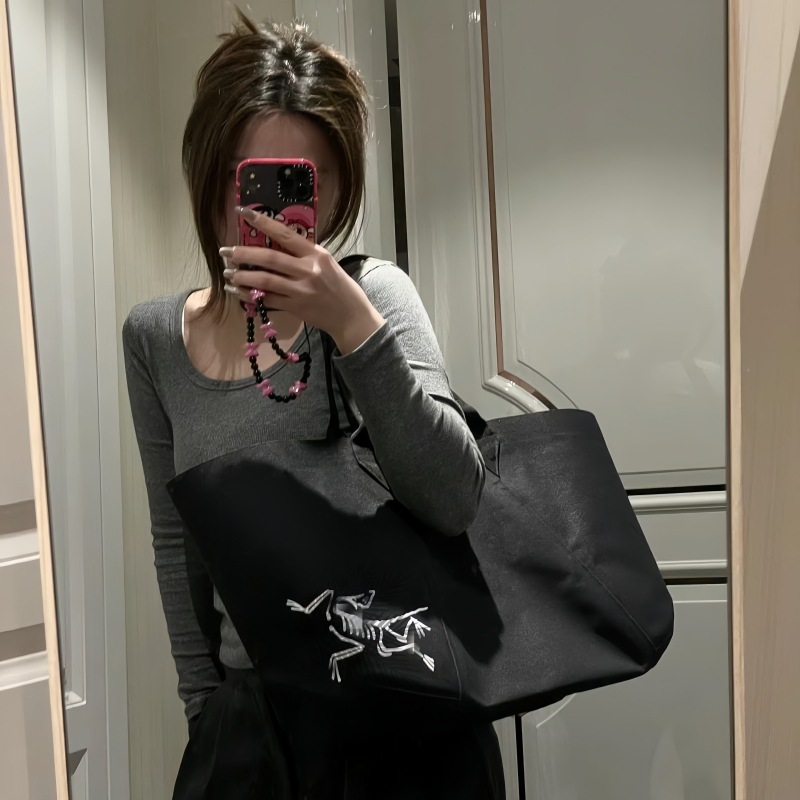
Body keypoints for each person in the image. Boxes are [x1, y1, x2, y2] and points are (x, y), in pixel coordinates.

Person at [123, 11, 505, 799]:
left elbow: (454, 497)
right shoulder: (155, 339)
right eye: (250, 179)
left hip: (404, 720)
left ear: (333, 190)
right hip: (255, 733)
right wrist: (205, 714)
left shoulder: (375, 297)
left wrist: (353, 327)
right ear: (209, 172)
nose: (271, 212)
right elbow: (177, 545)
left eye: (300, 182)